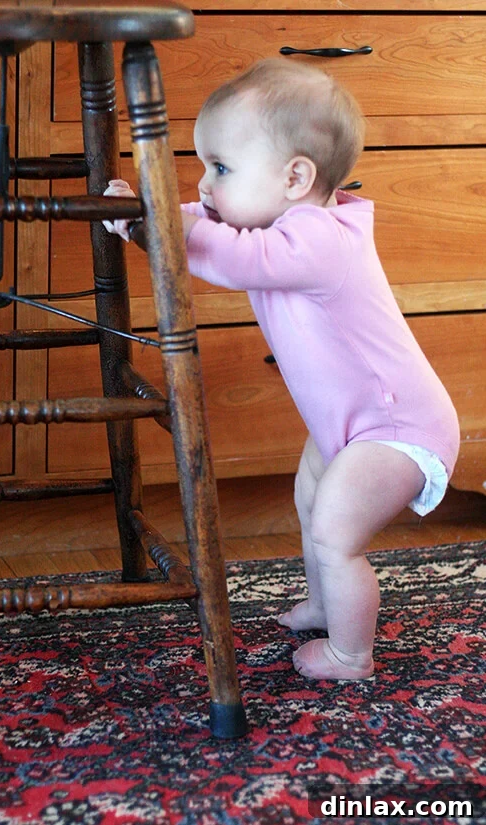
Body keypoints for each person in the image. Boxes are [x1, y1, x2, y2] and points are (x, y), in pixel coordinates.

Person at [103, 58, 460, 681]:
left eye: (221, 168)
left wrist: (148, 223)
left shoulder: (321, 239)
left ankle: (350, 654)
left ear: (296, 177)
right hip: (355, 424)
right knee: (311, 501)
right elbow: (206, 223)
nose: (204, 185)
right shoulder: (281, 220)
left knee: (337, 533)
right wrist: (148, 213)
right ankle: (325, 604)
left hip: (396, 430)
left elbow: (233, 258)